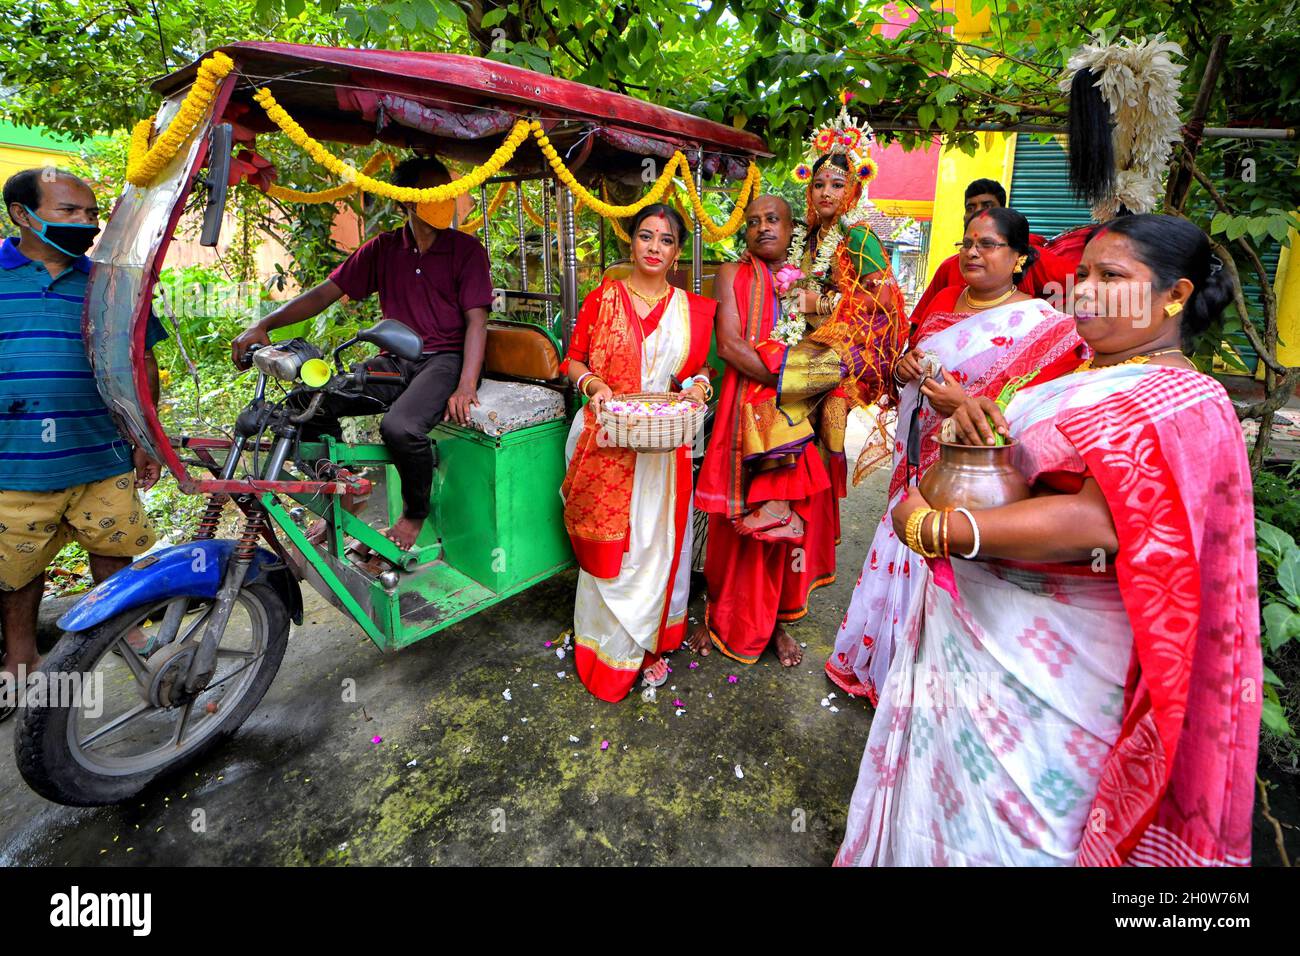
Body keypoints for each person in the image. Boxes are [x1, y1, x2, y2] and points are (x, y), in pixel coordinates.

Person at [836, 214, 1261, 867]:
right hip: (974, 649)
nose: (1083, 291)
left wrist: (936, 527)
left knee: (1014, 837)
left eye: (1111, 277)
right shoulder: (1082, 375)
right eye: (1082, 274)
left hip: (1051, 679)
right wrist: (977, 421)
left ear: (1174, 295)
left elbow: (1102, 522)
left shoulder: (1186, 400)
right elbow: (1019, 469)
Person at [825, 208, 1084, 704]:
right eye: (967, 242)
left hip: (974, 482)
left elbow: (1030, 418)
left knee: (945, 562)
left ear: (1018, 259)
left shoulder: (1044, 327)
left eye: (987, 244)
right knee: (902, 539)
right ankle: (881, 661)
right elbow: (908, 361)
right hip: (917, 462)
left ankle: (928, 682)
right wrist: (904, 370)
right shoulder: (944, 299)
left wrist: (961, 405)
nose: (971, 252)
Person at [230, 155, 491, 552]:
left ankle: (414, 514)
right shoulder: (385, 249)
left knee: (400, 428)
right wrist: (265, 324)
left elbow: (477, 321)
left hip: (444, 359)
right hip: (396, 358)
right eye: (432, 190)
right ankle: (344, 489)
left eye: (447, 189)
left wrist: (466, 385)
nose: (445, 197)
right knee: (305, 403)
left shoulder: (466, 251)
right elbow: (324, 294)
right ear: (405, 200)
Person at [0, 168, 164, 693]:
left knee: (113, 545)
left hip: (102, 453)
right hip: (15, 462)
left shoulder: (109, 284)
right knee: (16, 570)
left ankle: (123, 632)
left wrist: (144, 439)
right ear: (21, 215)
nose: (85, 223)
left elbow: (143, 362)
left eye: (91, 214)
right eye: (68, 212)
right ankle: (21, 655)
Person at [731, 108, 907, 544]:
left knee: (788, 385)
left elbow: (883, 304)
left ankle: (781, 506)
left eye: (837, 184)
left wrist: (821, 302)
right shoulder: (806, 239)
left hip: (856, 350)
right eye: (819, 184)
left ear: (855, 188)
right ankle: (786, 504)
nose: (826, 192)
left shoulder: (859, 235)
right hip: (816, 341)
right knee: (764, 388)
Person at [562, 204, 716, 702]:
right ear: (630, 242)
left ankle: (648, 643)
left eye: (666, 240)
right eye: (645, 236)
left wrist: (697, 390)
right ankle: (604, 647)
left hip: (661, 445)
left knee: (654, 546)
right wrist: (593, 383)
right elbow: (574, 359)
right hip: (605, 438)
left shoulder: (689, 309)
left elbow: (695, 373)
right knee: (615, 549)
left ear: (676, 252)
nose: (654, 247)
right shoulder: (602, 299)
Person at [689, 194, 840, 667]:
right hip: (743, 415)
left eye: (772, 219)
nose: (761, 228)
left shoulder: (813, 282)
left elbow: (831, 349)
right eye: (752, 222)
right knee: (735, 521)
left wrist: (805, 393)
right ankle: (717, 614)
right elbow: (731, 347)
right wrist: (791, 384)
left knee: (782, 522)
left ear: (792, 228)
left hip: (797, 420)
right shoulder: (733, 275)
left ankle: (772, 624)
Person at [911, 178, 1074, 321]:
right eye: (971, 208)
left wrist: (1047, 318)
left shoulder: (1032, 259)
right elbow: (918, 328)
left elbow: (1083, 285)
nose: (979, 212)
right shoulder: (947, 279)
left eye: (988, 244)